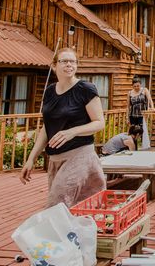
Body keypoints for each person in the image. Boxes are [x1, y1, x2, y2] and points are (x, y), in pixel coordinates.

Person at [20, 47, 106, 207]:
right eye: (64, 61)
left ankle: (48, 232)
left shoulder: (85, 89)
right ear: (54, 65)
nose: (69, 64)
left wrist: (72, 132)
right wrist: (31, 159)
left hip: (80, 155)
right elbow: (47, 127)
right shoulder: (50, 92)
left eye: (73, 61)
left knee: (56, 204)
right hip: (55, 160)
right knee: (73, 207)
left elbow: (99, 122)